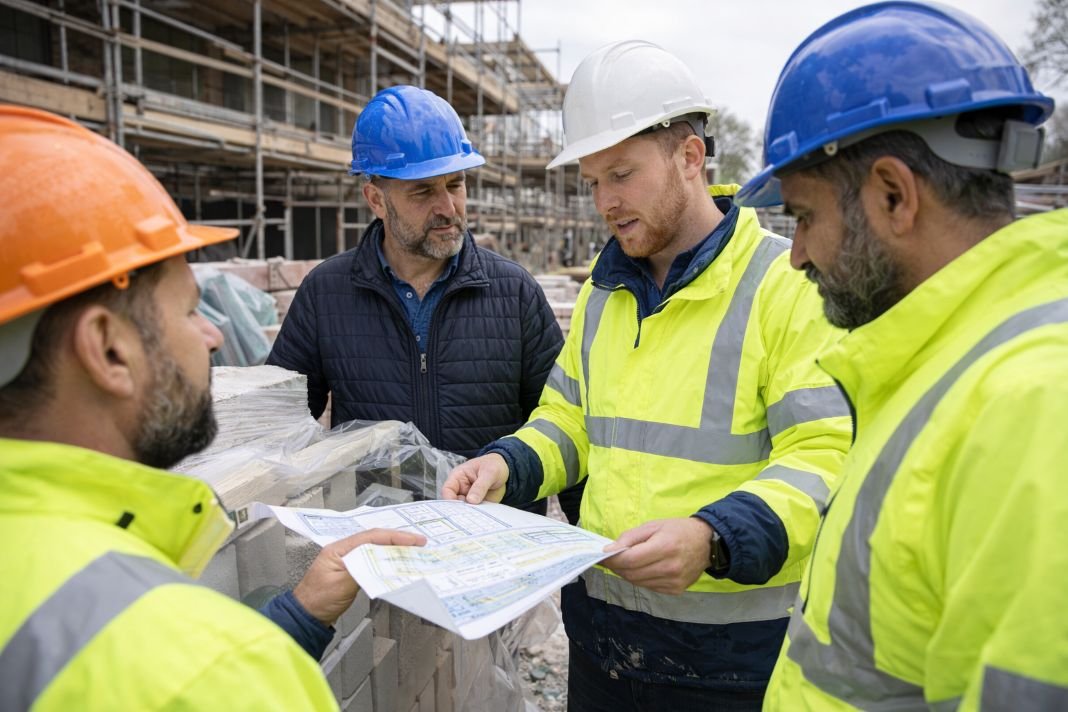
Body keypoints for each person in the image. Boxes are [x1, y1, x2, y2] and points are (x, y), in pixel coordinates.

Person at [443, 41, 852, 709]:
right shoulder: (607, 295)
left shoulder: (783, 286)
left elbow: (826, 458)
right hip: (604, 646)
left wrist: (714, 538)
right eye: (593, 182)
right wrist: (507, 464)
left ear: (690, 157)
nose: (604, 201)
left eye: (622, 174)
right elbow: (569, 419)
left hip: (734, 666)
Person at [0, 105, 424, 710]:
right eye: (189, 310)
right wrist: (246, 657)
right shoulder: (217, 670)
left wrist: (298, 614)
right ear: (108, 349)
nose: (215, 336)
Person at [734, 2, 1068, 709]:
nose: (793, 256)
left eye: (803, 217)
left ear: (893, 195)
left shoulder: (1033, 409)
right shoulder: (950, 369)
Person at [266, 84, 570, 518]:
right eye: (423, 192)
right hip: (381, 548)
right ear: (376, 200)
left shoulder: (514, 292)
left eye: (456, 184)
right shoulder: (326, 292)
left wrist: (592, 564)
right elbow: (280, 428)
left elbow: (562, 426)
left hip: (497, 546)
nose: (448, 207)